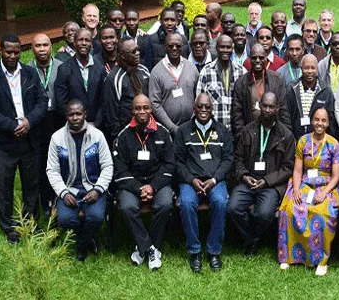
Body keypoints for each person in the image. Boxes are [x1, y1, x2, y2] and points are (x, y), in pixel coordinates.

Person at [0, 34, 48, 242]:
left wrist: (28, 122)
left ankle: (31, 222)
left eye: (16, 52)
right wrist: (13, 126)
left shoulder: (29, 73)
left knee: (31, 183)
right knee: (4, 185)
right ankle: (9, 227)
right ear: (0, 51)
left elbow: (42, 101)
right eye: (8, 52)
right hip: (4, 142)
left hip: (29, 139)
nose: (12, 55)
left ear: (21, 51)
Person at [227, 92, 295, 257]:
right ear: (260, 106)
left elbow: (288, 167)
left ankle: (253, 238)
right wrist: (244, 176)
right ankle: (252, 238)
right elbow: (238, 159)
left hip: (270, 185)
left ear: (277, 109)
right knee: (232, 209)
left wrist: (266, 181)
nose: (267, 110)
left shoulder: (286, 135)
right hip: (248, 181)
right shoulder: (248, 130)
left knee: (264, 214)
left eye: (271, 107)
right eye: (264, 106)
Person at [277, 107, 339, 276]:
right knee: (292, 208)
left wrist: (324, 193)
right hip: (305, 183)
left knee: (321, 212)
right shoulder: (303, 141)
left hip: (327, 186)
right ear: (312, 120)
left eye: (323, 120)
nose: (319, 123)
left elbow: (336, 176)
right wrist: (297, 189)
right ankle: (290, 257)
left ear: (328, 123)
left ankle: (321, 260)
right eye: (316, 119)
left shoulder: (333, 144)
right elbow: (298, 170)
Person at [112, 94, 175, 270]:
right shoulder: (124, 136)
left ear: (151, 109)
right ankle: (150, 248)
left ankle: (142, 248)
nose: (142, 112)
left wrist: (153, 187)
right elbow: (120, 170)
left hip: (157, 182)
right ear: (132, 111)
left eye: (145, 108)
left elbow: (169, 165)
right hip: (132, 184)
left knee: (165, 204)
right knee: (126, 207)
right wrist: (139, 188)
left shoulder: (163, 132)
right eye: (138, 108)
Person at [174, 93, 233, 273]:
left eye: (207, 107)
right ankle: (194, 251)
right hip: (191, 181)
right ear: (194, 109)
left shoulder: (222, 131)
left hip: (215, 181)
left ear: (212, 109)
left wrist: (215, 179)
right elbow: (177, 161)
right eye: (200, 107)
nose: (204, 110)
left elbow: (228, 160)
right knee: (186, 203)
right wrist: (191, 180)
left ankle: (214, 251)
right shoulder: (183, 131)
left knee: (221, 202)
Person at [47, 99, 112, 260]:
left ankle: (82, 246)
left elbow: (108, 166)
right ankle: (87, 237)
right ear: (66, 116)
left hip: (93, 188)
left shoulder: (97, 136)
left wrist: (98, 190)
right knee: (65, 220)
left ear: (85, 114)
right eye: (71, 114)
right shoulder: (57, 138)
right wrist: (63, 193)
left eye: (78, 114)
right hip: (69, 190)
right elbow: (52, 170)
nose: (75, 117)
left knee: (96, 217)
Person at [29, 33, 65, 216]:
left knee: (60, 160)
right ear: (32, 49)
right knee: (41, 162)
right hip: (37, 123)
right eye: (38, 46)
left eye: (45, 45)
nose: (42, 49)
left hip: (58, 120)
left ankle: (60, 199)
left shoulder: (62, 67)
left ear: (51, 47)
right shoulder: (27, 70)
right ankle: (45, 202)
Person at [232, 43, 291, 136]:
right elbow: (237, 115)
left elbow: (283, 110)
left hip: (273, 134)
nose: (257, 61)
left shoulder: (277, 79)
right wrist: (242, 137)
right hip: (250, 136)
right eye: (254, 58)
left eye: (261, 58)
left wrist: (286, 135)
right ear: (249, 59)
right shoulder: (241, 83)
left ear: (266, 58)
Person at [149, 32, 199, 134]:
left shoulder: (191, 68)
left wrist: (193, 121)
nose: (174, 48)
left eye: (178, 46)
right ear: (165, 47)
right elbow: (155, 103)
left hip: (191, 128)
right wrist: (172, 128)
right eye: (171, 46)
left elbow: (198, 95)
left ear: (183, 47)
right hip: (167, 131)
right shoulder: (156, 72)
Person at [55, 28, 107, 126]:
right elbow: (61, 102)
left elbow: (103, 100)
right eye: (80, 40)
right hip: (73, 125)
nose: (84, 43)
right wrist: (76, 121)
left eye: (87, 40)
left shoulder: (100, 68)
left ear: (91, 44)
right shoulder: (64, 69)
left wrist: (96, 123)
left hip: (96, 126)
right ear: (74, 43)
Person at [102, 38, 151, 144]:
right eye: (133, 52)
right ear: (122, 55)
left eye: (138, 49)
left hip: (148, 129)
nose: (137, 53)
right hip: (127, 134)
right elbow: (111, 113)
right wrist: (119, 138)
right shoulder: (113, 78)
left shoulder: (144, 70)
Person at [196, 35, 245, 132]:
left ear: (232, 48)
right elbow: (198, 101)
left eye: (228, 47)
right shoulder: (206, 71)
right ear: (216, 48)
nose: (225, 50)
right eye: (222, 47)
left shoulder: (241, 72)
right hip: (213, 131)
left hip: (236, 131)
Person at [286, 54, 338, 139]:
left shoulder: (325, 90)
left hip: (319, 140)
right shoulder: (292, 88)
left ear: (317, 69)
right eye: (306, 68)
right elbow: (286, 116)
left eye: (313, 68)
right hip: (295, 139)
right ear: (301, 68)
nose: (310, 71)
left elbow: (331, 120)